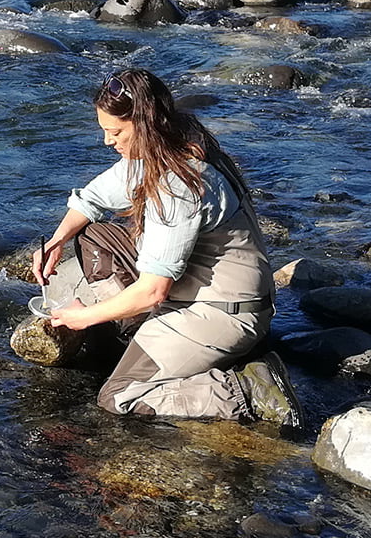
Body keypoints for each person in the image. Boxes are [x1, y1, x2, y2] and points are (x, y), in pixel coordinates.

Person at [32, 69, 298, 425]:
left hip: (224, 313)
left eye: (115, 132)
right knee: (94, 236)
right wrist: (57, 240)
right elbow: (93, 198)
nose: (107, 141)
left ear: (145, 125)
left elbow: (153, 291)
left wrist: (85, 317)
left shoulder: (178, 186)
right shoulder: (173, 144)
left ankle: (247, 389)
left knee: (118, 396)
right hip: (213, 294)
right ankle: (142, 336)